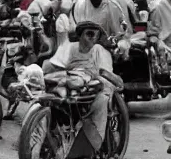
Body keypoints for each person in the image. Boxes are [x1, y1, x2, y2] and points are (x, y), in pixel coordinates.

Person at [42, 21, 123, 149]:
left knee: (102, 99)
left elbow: (105, 74)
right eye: (89, 34)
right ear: (80, 35)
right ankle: (47, 140)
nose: (93, 38)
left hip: (91, 86)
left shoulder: (99, 50)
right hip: (68, 81)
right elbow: (53, 66)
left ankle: (98, 145)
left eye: (96, 35)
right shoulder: (69, 48)